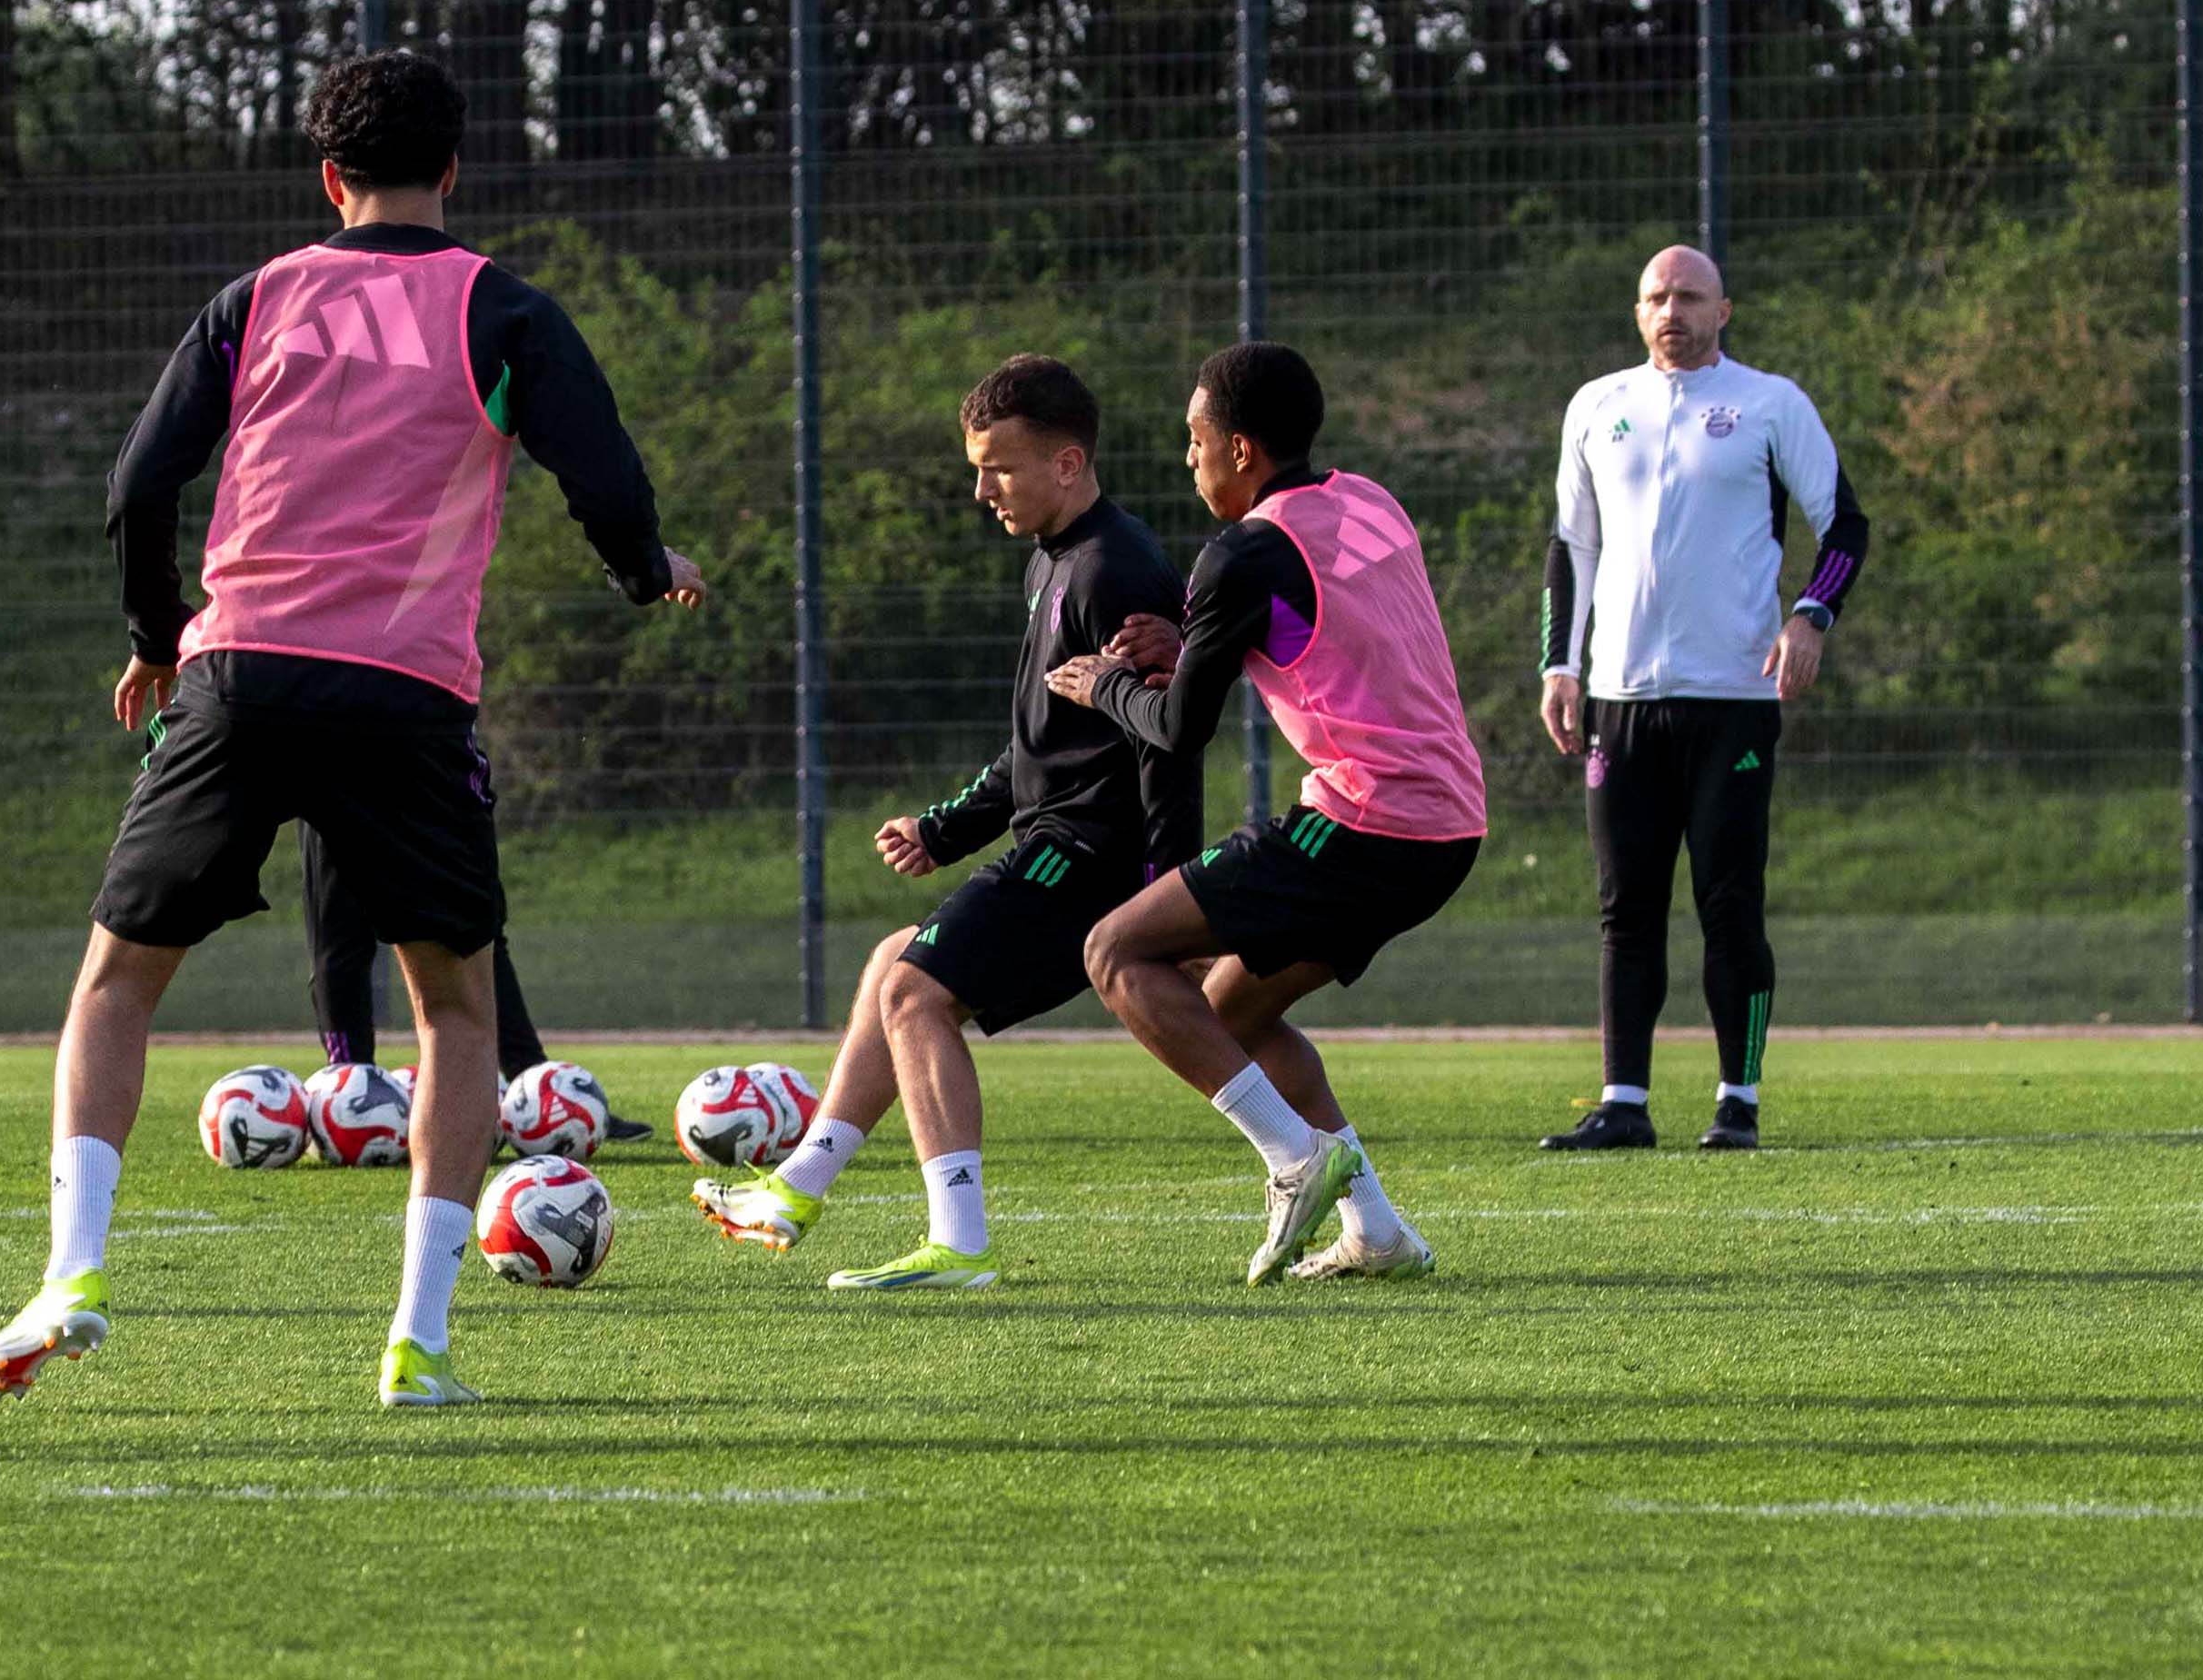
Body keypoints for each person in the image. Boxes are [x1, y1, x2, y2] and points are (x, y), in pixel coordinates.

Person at [0, 50, 703, 1410]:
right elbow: (600, 469)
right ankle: (416, 1343)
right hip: (403, 694)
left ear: (327, 178)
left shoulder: (257, 297)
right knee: (458, 1010)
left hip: (234, 675)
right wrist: (646, 568)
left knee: (116, 983)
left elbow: (139, 484)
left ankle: (72, 1271)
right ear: (455, 171)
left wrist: (150, 638)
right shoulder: (501, 306)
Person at [693, 355, 1201, 1290]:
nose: (980, 490)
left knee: (916, 992)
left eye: (997, 467)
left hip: (1089, 859)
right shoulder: (1054, 558)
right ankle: (799, 1185)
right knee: (896, 961)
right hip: (1056, 844)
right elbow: (1041, 741)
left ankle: (958, 1243)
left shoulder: (1114, 567)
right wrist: (947, 828)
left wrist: (1171, 889)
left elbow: (1169, 739)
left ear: (1066, 461)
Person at [1052, 341, 1475, 1284]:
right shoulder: (1368, 498)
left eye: (1195, 440)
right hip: (1449, 824)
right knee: (1229, 1005)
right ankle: (1375, 1227)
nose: (1188, 457)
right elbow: (1328, 631)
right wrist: (1203, 639)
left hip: (1367, 818)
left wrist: (1106, 684)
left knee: (1114, 952)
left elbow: (1173, 728)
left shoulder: (1240, 552)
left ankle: (1297, 1158)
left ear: (1239, 449)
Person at [1536, 245, 1870, 1152]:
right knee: (1626, 906)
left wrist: (1809, 616)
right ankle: (1624, 1102)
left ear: (1725, 309)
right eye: (1655, 296)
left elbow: (1843, 523)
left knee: (1729, 901)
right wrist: (1558, 668)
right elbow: (1573, 548)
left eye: (1688, 295)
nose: (1670, 310)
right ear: (1638, 309)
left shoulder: (1771, 403)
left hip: (1733, 696)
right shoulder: (1597, 406)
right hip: (1620, 697)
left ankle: (1739, 1100)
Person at [301, 828, 653, 1142]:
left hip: (430, 769)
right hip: (337, 767)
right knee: (341, 935)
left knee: (475, 930)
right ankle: (346, 1098)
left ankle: (538, 1095)